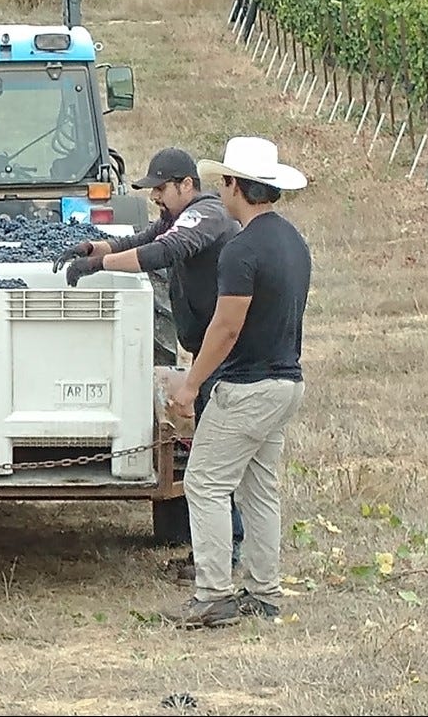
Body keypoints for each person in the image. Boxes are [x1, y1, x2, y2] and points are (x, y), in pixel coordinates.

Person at [52, 146, 245, 569]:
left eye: (161, 189)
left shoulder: (206, 215)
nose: (155, 196)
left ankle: (224, 551)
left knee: (213, 456)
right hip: (210, 348)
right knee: (211, 453)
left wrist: (102, 266)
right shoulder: (178, 215)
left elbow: (162, 252)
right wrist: (96, 248)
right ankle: (218, 548)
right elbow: (144, 239)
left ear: (186, 185)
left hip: (228, 351)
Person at [158, 136, 311, 630]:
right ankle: (264, 593)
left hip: (245, 387)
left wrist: (189, 386)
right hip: (286, 382)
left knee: (203, 483)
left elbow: (225, 329)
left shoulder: (240, 250)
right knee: (260, 489)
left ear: (234, 187)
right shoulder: (293, 241)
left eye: (223, 182)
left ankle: (214, 593)